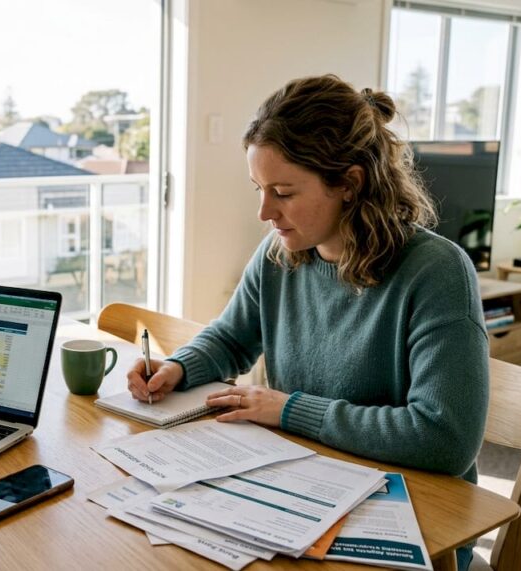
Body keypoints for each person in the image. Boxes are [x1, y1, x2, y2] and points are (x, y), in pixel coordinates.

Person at [127, 75, 488, 569]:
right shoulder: (281, 252)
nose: (264, 211)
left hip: (413, 517)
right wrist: (180, 367)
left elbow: (444, 439)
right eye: (258, 188)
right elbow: (232, 337)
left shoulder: (436, 272)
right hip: (305, 486)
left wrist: (291, 410)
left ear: (349, 183)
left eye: (282, 191)